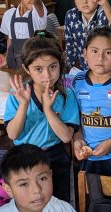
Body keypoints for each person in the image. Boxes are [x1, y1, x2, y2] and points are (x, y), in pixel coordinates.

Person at [5, 35, 78, 202]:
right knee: (29, 204)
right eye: (38, 69)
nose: (47, 75)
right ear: (26, 68)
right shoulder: (18, 94)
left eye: (53, 66)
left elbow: (66, 137)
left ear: (60, 64)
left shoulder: (67, 95)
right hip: (24, 159)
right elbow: (13, 134)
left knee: (58, 203)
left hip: (55, 157)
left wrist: (48, 109)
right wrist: (23, 104)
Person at [72, 27, 111, 177]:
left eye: (108, 52)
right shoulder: (77, 82)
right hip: (87, 155)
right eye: (94, 51)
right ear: (85, 53)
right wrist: (77, 139)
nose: (100, 58)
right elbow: (75, 119)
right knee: (88, 195)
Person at [0, 0, 56, 70]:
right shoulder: (9, 14)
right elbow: (10, 39)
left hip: (35, 62)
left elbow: (37, 2)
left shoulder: (38, 14)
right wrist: (7, 59)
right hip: (15, 63)